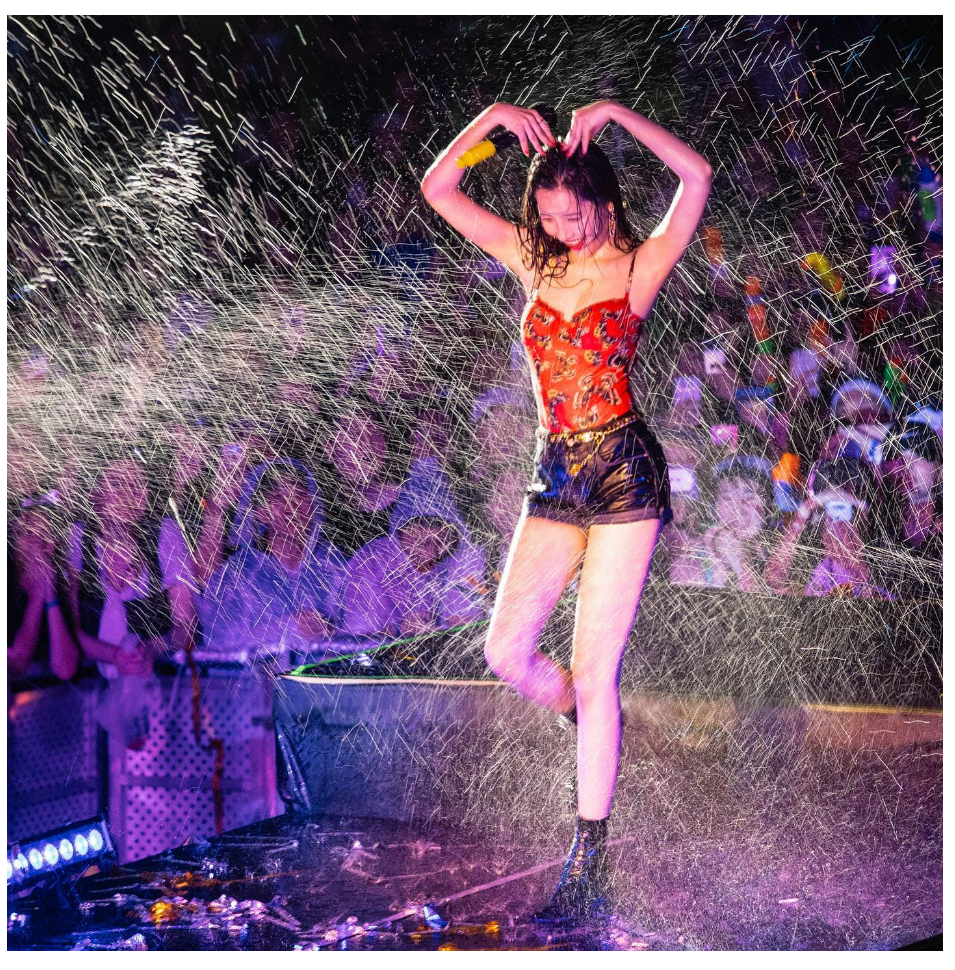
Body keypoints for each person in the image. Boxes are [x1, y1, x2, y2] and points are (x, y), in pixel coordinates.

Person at [422, 98, 711, 923]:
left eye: (572, 217)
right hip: (554, 472)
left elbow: (696, 175)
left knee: (594, 667)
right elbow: (439, 188)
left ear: (604, 205)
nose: (559, 230)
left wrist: (615, 114)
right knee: (505, 652)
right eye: (546, 217)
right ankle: (591, 724)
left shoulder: (640, 265)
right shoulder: (532, 258)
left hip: (623, 473)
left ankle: (588, 863)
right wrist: (490, 122)